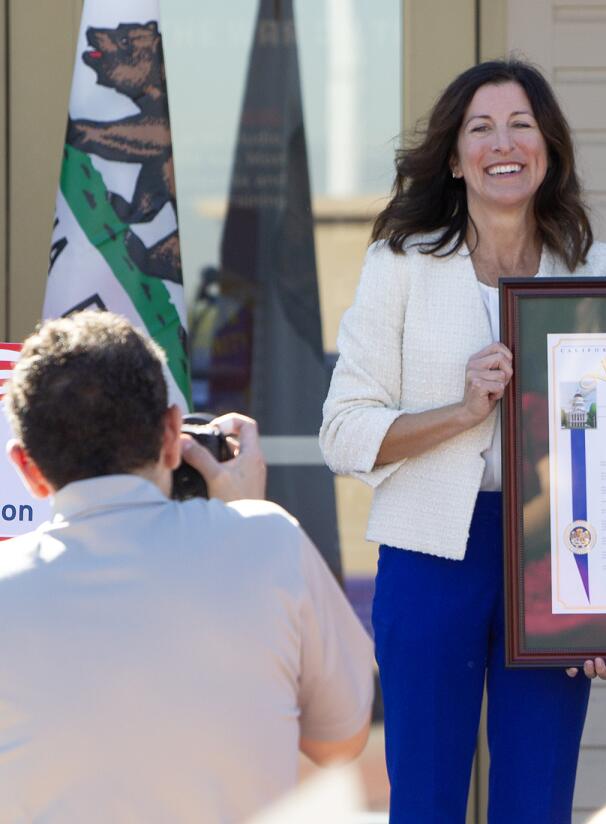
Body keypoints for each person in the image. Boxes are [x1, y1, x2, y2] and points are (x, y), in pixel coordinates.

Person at [319, 58, 606, 824]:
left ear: (549, 148)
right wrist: (461, 412)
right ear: (456, 158)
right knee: (424, 801)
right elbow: (342, 430)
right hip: (430, 554)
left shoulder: (603, 271)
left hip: (559, 558)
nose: (504, 143)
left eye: (522, 125)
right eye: (481, 128)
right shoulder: (401, 265)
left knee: (538, 801)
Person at [0, 311, 374, 824]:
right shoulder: (269, 543)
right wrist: (241, 519)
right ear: (174, 432)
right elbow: (341, 739)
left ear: (26, 469)